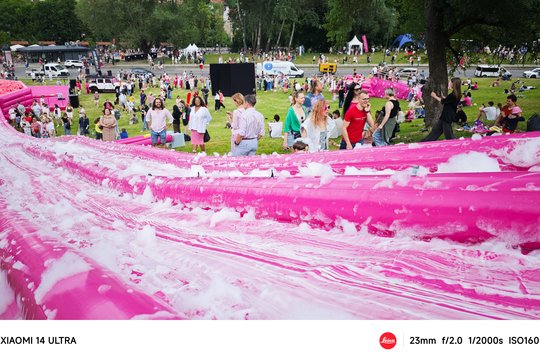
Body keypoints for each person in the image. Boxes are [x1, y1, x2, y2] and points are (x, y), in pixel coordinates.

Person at [421, 77, 462, 142]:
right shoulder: (456, 94)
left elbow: (443, 101)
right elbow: (449, 101)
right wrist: (444, 98)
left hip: (447, 116)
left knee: (448, 135)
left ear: (453, 84)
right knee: (435, 132)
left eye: (450, 82)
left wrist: (434, 96)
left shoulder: (453, 94)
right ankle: (424, 142)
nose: (449, 83)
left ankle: (454, 144)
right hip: (446, 115)